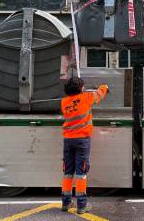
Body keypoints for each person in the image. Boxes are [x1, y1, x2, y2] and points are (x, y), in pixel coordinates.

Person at [60, 77, 109, 214]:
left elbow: (76, 100)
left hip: (68, 140)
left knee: (68, 172)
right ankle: (82, 206)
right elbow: (99, 94)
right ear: (81, 89)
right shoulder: (86, 97)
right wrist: (104, 86)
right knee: (81, 173)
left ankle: (66, 203)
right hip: (82, 140)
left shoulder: (64, 102)